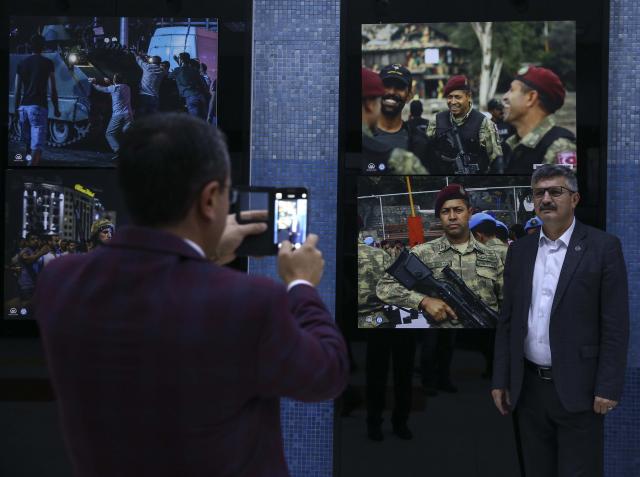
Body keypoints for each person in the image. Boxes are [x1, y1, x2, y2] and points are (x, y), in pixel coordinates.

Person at [33, 113, 348, 477]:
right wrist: (301, 285)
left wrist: (206, 256)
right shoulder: (250, 302)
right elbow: (328, 373)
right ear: (210, 199)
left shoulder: (58, 281)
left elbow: (158, 308)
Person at [491, 165, 629, 477]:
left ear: (575, 198)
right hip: (528, 390)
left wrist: (608, 386)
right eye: (539, 193)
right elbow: (508, 320)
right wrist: (501, 377)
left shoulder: (603, 247)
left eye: (556, 191)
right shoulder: (521, 251)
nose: (547, 199)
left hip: (580, 388)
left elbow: (616, 326)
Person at [377, 184, 504, 327]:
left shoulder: (492, 255)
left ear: (470, 213)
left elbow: (507, 301)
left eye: (458, 210)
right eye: (445, 211)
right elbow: (384, 287)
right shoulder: (422, 253)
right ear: (439, 217)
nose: (452, 217)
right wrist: (424, 301)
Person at [358, 233, 415, 441]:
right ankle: (398, 423)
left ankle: (375, 423)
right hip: (397, 319)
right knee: (400, 374)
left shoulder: (375, 254)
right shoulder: (380, 256)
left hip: (377, 321)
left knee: (377, 375)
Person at [502, 66, 577, 174]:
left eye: (512, 90)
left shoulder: (560, 147)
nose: (505, 96)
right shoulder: (512, 143)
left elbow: (561, 189)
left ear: (531, 97)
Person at [427, 75, 503, 174]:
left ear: (468, 96)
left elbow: (496, 159)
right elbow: (426, 152)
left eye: (458, 97)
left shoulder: (485, 123)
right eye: (449, 97)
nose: (453, 102)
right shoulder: (436, 121)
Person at [360, 67, 427, 174]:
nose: (391, 92)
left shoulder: (420, 141)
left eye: (399, 87)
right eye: (386, 86)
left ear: (409, 96)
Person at [13, 34, 61, 166]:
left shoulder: (21, 64)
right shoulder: (48, 63)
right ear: (43, 47)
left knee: (28, 144)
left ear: (29, 47)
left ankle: (28, 166)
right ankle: (31, 172)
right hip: (38, 108)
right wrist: (56, 108)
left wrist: (16, 110)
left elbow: (17, 90)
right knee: (37, 147)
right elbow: (53, 89)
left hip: (23, 108)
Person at [89, 73, 133, 158]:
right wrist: (109, 82)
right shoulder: (127, 88)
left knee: (109, 134)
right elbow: (116, 88)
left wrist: (93, 82)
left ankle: (118, 151)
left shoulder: (113, 88)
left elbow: (100, 89)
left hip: (118, 115)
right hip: (129, 114)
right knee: (126, 133)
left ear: (114, 80)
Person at [172, 52, 209, 119]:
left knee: (194, 119)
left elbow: (170, 76)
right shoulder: (195, 71)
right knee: (203, 118)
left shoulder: (178, 70)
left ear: (181, 60)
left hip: (190, 96)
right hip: (201, 96)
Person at [134, 52, 166, 117]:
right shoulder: (162, 71)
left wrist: (135, 52)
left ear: (151, 61)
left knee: (141, 116)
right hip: (155, 97)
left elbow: (138, 59)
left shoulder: (147, 67)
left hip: (144, 95)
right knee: (153, 118)